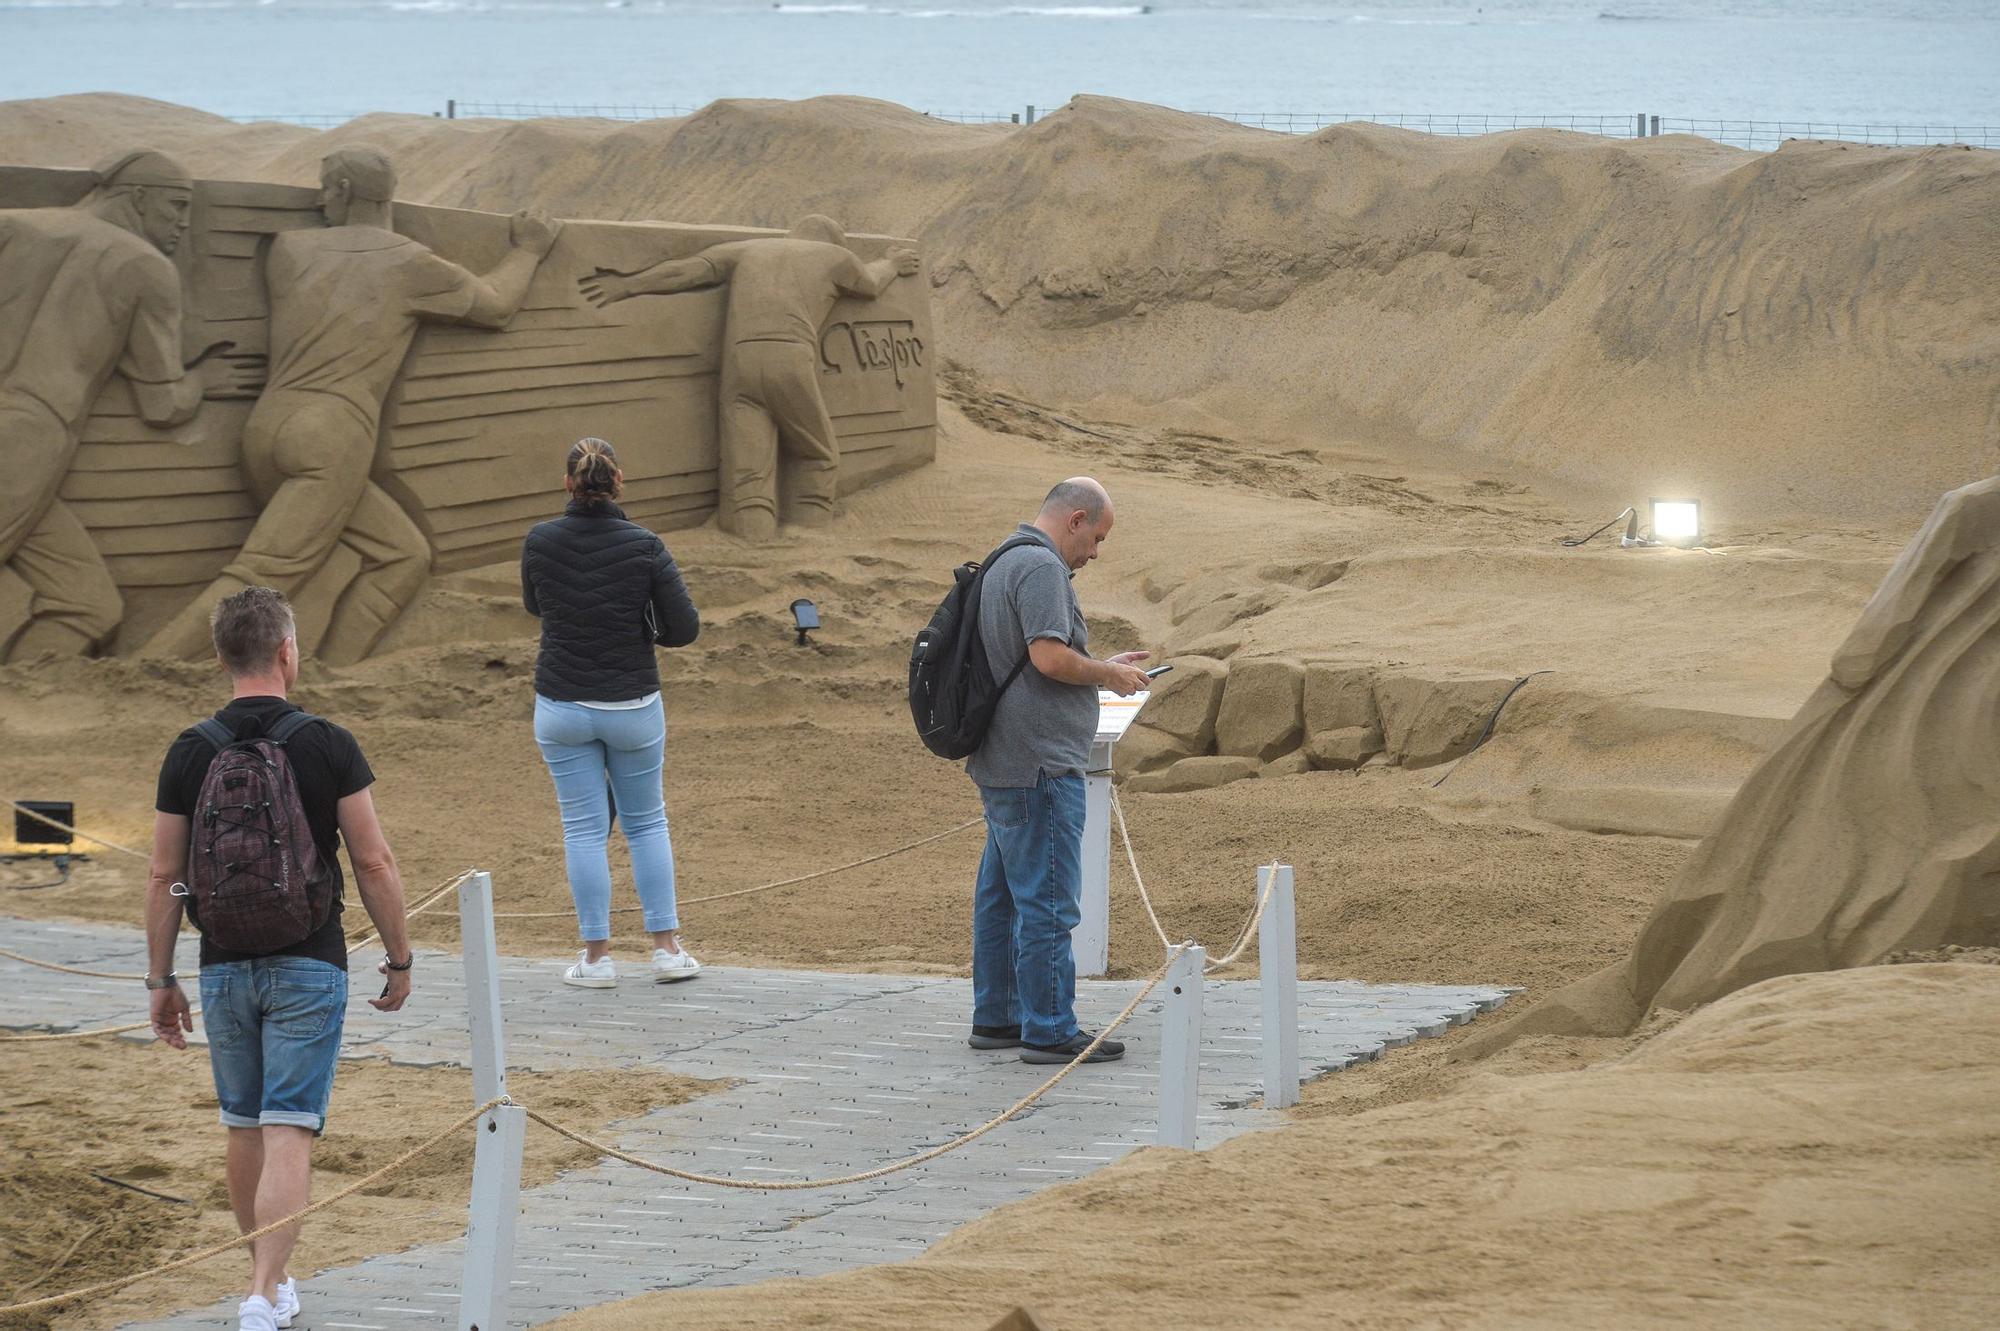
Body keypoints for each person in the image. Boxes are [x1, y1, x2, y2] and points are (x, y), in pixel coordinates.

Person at [145, 145, 562, 665]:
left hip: (269, 427)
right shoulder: (410, 264)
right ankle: (150, 664)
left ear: (342, 190)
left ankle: (334, 670)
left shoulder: (289, 250)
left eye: (325, 185)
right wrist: (528, 250)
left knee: (403, 556)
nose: (320, 197)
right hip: (332, 435)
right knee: (264, 572)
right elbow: (497, 307)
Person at [145, 586, 412, 1331]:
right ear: (288, 652)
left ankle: (271, 1279)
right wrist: (400, 955)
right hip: (310, 958)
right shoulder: (328, 741)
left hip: (223, 959)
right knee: (289, 1124)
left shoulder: (190, 749)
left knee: (243, 1123)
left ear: (220, 655)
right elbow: (374, 860)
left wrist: (160, 976)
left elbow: (164, 872)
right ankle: (264, 1292)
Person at [0, 147, 259, 660]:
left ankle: (21, 702)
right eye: (177, 206)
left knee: (88, 604)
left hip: (26, 447)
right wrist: (203, 377)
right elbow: (162, 405)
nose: (184, 223)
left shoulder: (13, 225)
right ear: (138, 197)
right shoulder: (143, 266)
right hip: (28, 435)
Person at [578, 216, 919, 541]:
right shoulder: (835, 256)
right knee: (816, 453)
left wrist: (627, 285)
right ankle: (809, 534)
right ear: (834, 241)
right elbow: (871, 285)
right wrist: (891, 263)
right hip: (788, 358)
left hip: (739, 362)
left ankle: (753, 537)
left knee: (749, 470)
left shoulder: (748, 248)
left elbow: (688, 271)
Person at [965, 478, 1151, 1064]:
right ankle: (1048, 1028)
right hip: (1040, 762)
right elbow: (1047, 658)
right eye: (1096, 538)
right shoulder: (1042, 568)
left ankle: (998, 1017)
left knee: (1001, 898)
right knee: (1046, 901)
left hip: (1006, 758)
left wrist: (1100, 664)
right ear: (1075, 519)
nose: (1095, 552)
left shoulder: (1005, 558)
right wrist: (1108, 676)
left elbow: (1034, 654)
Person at [521, 437, 702, 986]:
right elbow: (685, 628)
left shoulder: (540, 540)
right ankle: (667, 951)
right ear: (619, 479)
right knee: (647, 823)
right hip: (633, 703)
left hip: (561, 701)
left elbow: (535, 605)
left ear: (568, 484)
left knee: (582, 829)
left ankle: (596, 959)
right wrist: (645, 626)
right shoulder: (645, 545)